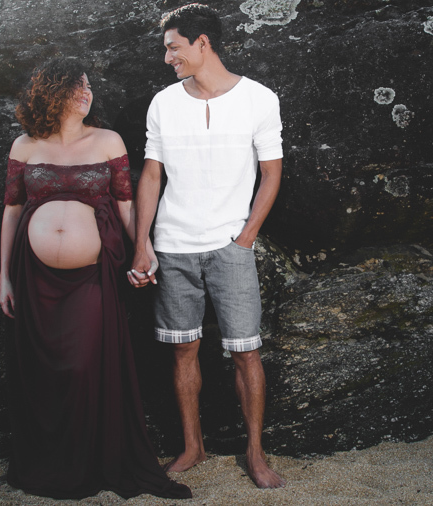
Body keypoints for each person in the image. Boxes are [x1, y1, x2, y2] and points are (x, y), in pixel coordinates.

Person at [0, 58, 191, 500]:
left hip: (91, 278)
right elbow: (11, 211)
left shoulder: (108, 141)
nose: (86, 94)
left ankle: (91, 462)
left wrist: (144, 251)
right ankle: (52, 464)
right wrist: (4, 278)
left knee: (84, 366)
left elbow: (126, 205)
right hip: (34, 279)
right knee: (43, 372)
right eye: (75, 87)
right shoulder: (24, 146)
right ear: (52, 92)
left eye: (88, 87)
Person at [129, 3, 286, 489]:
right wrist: (143, 243)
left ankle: (256, 454)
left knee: (245, 352)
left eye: (173, 47)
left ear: (202, 42)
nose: (167, 57)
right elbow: (151, 175)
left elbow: (272, 173)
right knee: (183, 353)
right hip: (173, 247)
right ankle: (192, 446)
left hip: (230, 248)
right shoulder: (163, 103)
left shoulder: (259, 99)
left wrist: (245, 239)